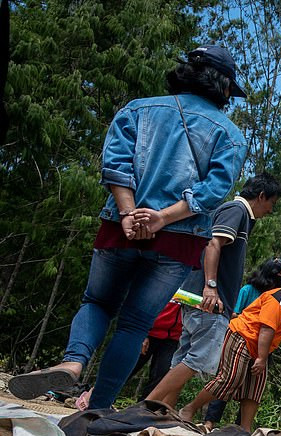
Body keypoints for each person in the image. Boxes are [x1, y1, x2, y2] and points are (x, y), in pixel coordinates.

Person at [9, 44, 247, 408]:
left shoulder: (138, 109)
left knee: (98, 302)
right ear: (223, 86)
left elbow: (116, 164)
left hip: (121, 227)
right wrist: (163, 218)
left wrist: (128, 213)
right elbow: (214, 190)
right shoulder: (229, 134)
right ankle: (97, 411)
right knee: (135, 324)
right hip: (178, 239)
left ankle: (74, 362)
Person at [147, 175, 281, 409]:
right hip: (211, 301)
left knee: (183, 359)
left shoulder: (236, 213)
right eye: (272, 202)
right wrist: (211, 287)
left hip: (198, 299)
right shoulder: (237, 210)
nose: (271, 209)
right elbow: (213, 243)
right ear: (261, 196)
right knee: (200, 359)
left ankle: (164, 413)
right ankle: (148, 406)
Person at [179, 276, 281, 431]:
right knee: (230, 379)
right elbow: (267, 329)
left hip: (259, 346)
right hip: (243, 336)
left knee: (255, 388)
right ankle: (189, 410)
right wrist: (261, 358)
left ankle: (245, 430)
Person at [203, 257, 281, 426]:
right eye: (278, 272)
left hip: (262, 348)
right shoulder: (248, 290)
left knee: (252, 389)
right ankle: (209, 422)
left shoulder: (280, 298)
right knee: (228, 380)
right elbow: (234, 313)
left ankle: (241, 428)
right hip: (241, 339)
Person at [128, 302, 183, 401]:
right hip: (149, 331)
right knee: (128, 367)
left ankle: (142, 409)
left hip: (173, 338)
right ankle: (101, 398)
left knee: (161, 374)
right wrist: (143, 332)